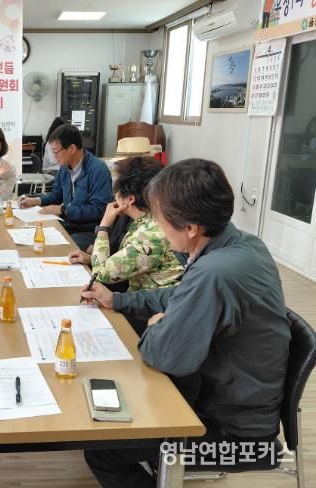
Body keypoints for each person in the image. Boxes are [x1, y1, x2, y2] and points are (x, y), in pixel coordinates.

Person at [81, 159, 290, 488]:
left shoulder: (214, 273)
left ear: (190, 227)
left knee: (103, 450)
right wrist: (119, 301)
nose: (158, 227)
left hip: (238, 440)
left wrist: (156, 326)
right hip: (228, 403)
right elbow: (177, 295)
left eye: (160, 219)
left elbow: (164, 356)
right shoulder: (241, 245)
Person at [68, 156, 183, 295]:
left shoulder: (149, 234)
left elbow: (100, 275)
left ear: (130, 199)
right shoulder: (149, 219)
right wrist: (90, 258)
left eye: (116, 191)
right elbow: (129, 260)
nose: (114, 196)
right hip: (140, 297)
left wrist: (104, 226)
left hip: (148, 304)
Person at [19, 124, 113, 251]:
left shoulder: (98, 170)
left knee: (62, 246)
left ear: (72, 148)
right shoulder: (64, 167)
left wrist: (64, 210)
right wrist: (36, 200)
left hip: (90, 230)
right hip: (70, 223)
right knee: (37, 232)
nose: (54, 157)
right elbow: (57, 195)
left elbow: (99, 209)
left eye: (56, 152)